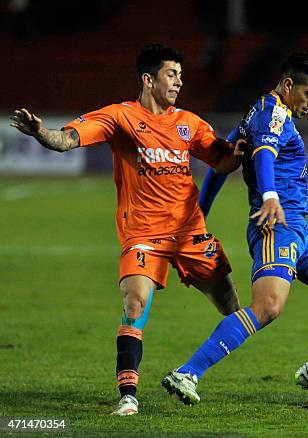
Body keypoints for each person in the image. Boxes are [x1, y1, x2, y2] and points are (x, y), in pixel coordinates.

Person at [9, 44, 243, 416]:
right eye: (172, 74)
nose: (180, 81)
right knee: (134, 304)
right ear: (148, 80)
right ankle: (129, 396)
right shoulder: (119, 117)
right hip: (144, 237)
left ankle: (189, 373)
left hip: (190, 234)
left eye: (181, 75)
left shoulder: (190, 122)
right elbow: (67, 140)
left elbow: (223, 159)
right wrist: (41, 132)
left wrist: (244, 149)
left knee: (235, 310)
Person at [162, 52, 308, 406]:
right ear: (288, 84)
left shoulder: (259, 114)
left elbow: (220, 163)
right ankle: (188, 372)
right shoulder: (272, 112)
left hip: (301, 231)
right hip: (274, 226)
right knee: (268, 308)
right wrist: (270, 195)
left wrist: (200, 212)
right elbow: (263, 154)